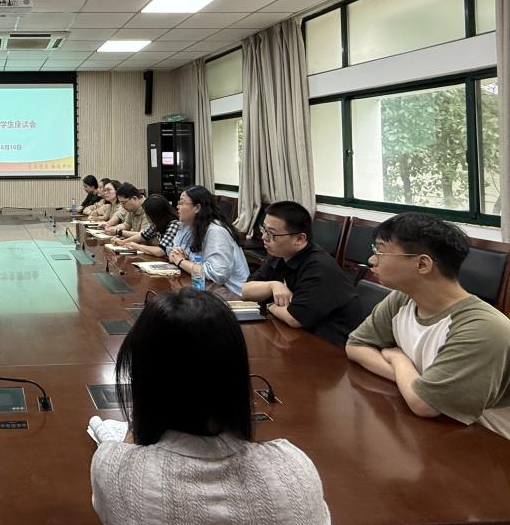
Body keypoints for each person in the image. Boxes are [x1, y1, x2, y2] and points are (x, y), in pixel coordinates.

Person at [90, 288, 329, 525]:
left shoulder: (115, 470)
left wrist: (139, 428)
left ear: (146, 384)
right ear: (236, 375)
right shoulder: (295, 471)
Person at [346, 213, 510, 438]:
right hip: (433, 431)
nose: (372, 260)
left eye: (380, 252)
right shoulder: (403, 299)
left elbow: (424, 404)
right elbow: (356, 346)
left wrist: (399, 359)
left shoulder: (482, 328)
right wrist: (413, 380)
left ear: (422, 264)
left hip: (487, 443)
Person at [242, 201, 361, 347]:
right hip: (299, 336)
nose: (264, 237)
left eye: (272, 233)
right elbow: (246, 291)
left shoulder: (319, 267)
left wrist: (269, 304)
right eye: (264, 230)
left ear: (299, 239)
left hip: (330, 346)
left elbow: (294, 318)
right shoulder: (279, 254)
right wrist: (273, 285)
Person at [167, 186, 249, 297]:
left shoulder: (216, 230)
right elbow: (173, 251)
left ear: (197, 207)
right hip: (205, 286)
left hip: (231, 293)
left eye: (181, 203)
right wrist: (176, 255)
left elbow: (218, 274)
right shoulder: (187, 226)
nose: (177, 207)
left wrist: (181, 261)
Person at [110, 194, 187, 257]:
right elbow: (142, 236)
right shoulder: (157, 224)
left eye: (148, 215)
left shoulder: (174, 224)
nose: (147, 217)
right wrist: (123, 242)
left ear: (156, 215)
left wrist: (137, 246)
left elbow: (161, 251)